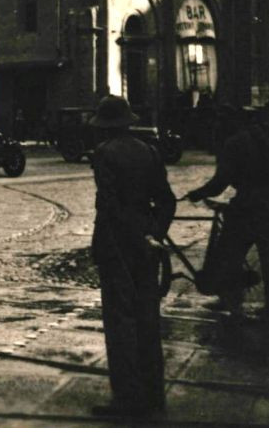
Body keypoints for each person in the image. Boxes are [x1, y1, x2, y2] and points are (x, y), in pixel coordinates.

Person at [87, 95, 176, 419]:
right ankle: (153, 395)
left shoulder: (104, 154)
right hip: (146, 245)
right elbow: (167, 200)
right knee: (147, 318)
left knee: (120, 321)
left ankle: (126, 399)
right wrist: (153, 233)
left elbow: (109, 206)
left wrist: (126, 236)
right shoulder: (149, 151)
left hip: (117, 245)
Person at [184, 105, 269, 319]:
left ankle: (230, 298)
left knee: (229, 253)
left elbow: (220, 182)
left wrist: (197, 193)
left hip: (247, 204)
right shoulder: (264, 138)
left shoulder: (234, 143)